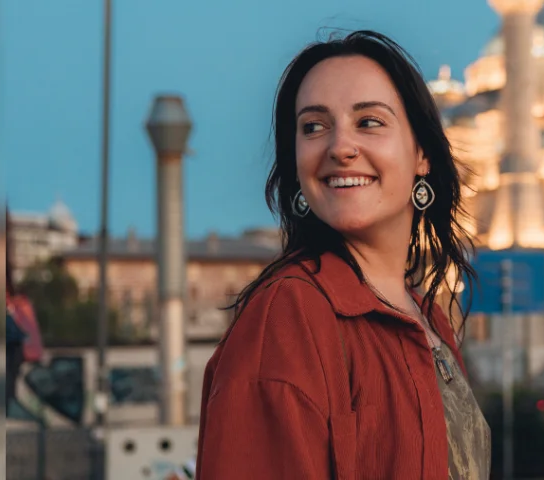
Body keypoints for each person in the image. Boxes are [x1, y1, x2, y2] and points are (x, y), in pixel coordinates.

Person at [196, 30, 488, 479]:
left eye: (369, 121)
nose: (339, 147)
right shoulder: (291, 315)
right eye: (313, 127)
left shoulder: (429, 318)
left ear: (422, 154)